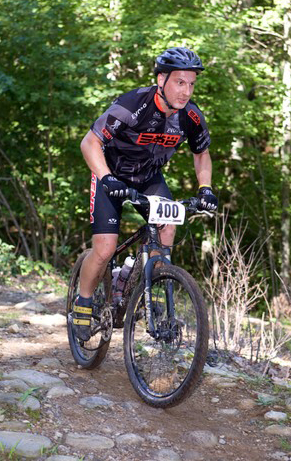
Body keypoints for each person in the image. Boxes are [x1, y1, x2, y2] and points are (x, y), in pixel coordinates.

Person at [74, 47, 218, 341]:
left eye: (191, 84)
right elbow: (89, 143)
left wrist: (206, 188)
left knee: (167, 229)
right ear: (161, 79)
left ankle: (149, 293)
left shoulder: (190, 116)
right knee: (104, 249)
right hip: (110, 174)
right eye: (180, 82)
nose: (186, 91)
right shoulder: (132, 105)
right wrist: (106, 177)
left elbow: (201, 154)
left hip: (149, 178)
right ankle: (83, 302)